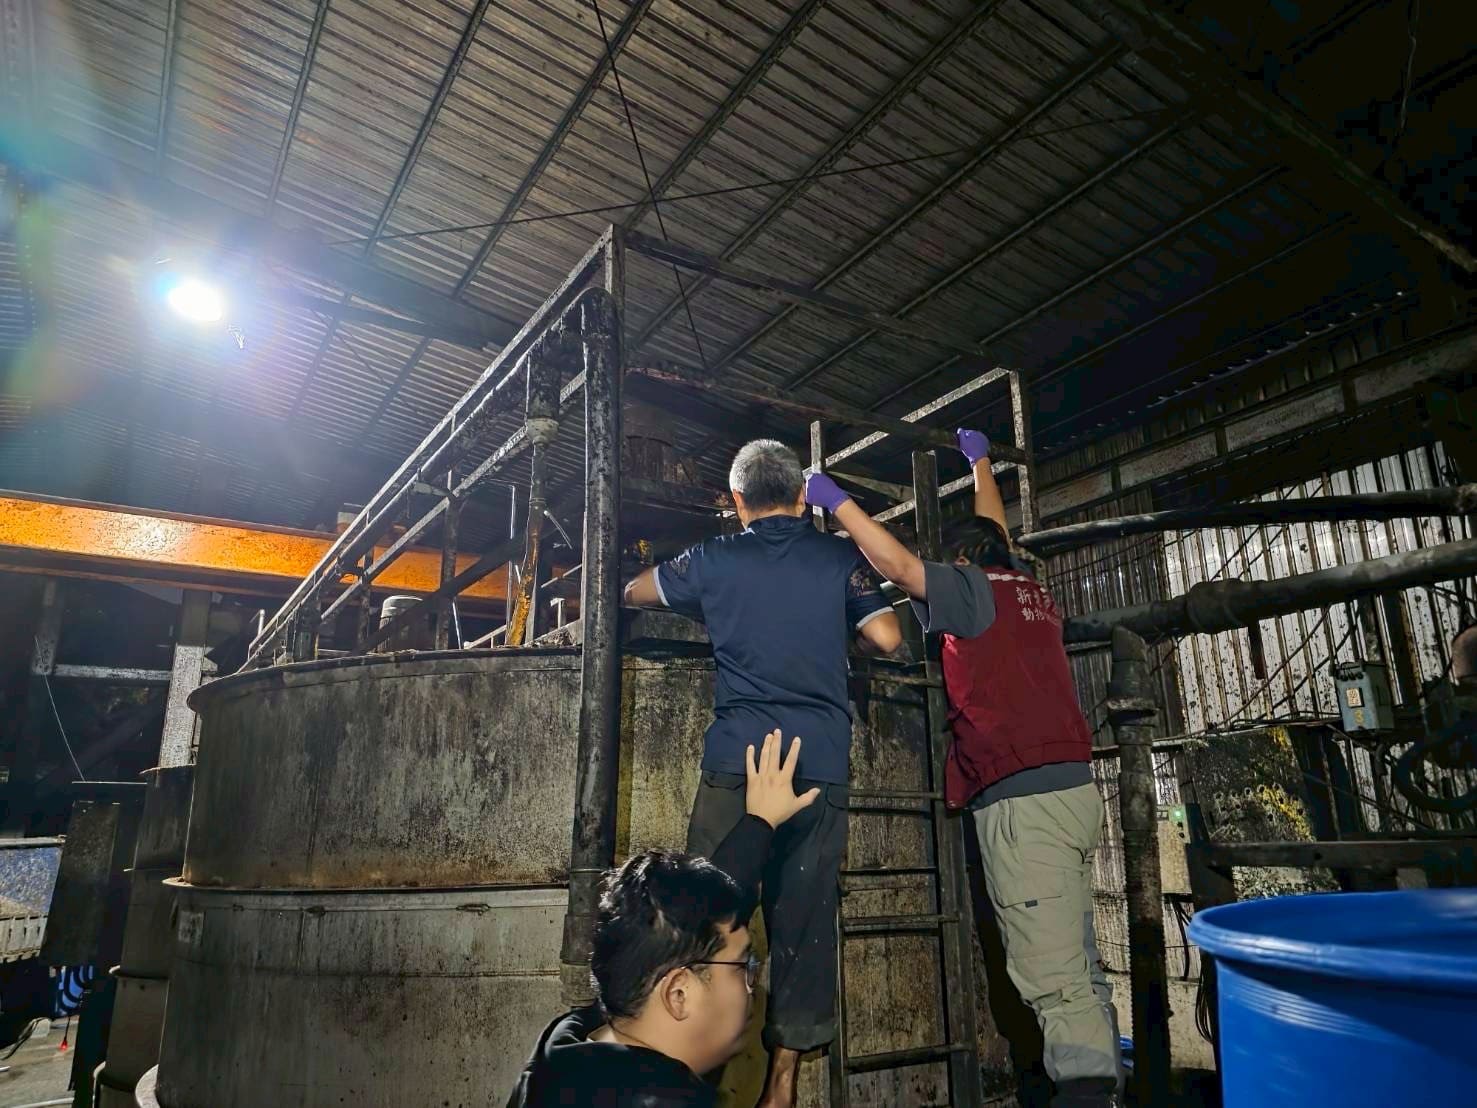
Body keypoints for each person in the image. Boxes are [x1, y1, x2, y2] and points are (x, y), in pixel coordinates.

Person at [806, 429, 1122, 1108]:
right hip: (1072, 789)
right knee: (1080, 966)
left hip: (1021, 804)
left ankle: (1087, 1097)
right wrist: (980, 462)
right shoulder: (1027, 590)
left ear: (959, 563)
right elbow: (992, 531)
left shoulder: (971, 591)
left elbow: (897, 566)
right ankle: (1107, 1087)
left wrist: (836, 502)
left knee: (1051, 976)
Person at [623, 439, 902, 1107]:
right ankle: (781, 1086)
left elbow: (632, 590)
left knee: (708, 918)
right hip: (819, 765)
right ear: (803, 499)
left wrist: (712, 598)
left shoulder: (713, 558)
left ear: (737, 501)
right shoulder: (838, 557)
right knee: (804, 923)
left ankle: (685, 1070)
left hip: (741, 765)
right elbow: (888, 638)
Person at [507, 731, 823, 1107]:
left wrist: (761, 822)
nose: (752, 988)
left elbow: (684, 924)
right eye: (743, 968)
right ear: (678, 993)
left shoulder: (566, 1046)